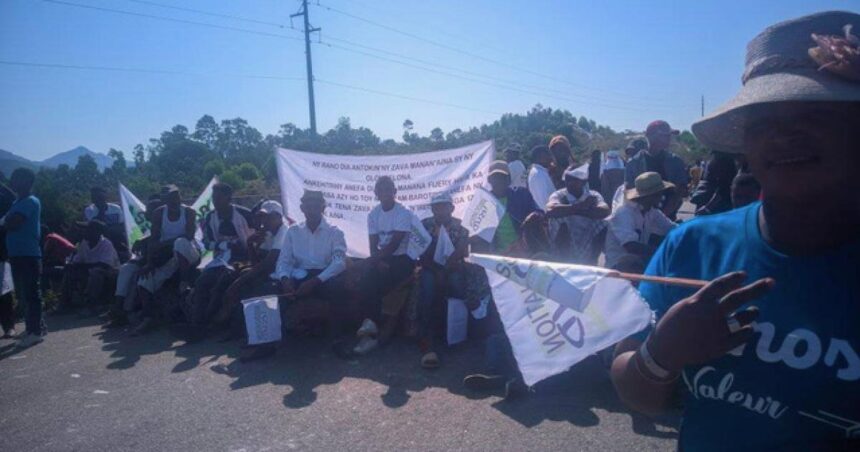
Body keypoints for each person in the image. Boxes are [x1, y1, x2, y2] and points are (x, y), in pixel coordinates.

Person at [611, 11, 860, 451]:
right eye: (762, 121)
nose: (783, 136)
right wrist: (661, 356)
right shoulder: (693, 246)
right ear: (745, 142)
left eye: (813, 112)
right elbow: (633, 390)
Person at [240, 191, 348, 361]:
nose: (311, 209)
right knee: (268, 289)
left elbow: (339, 262)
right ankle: (266, 343)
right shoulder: (294, 231)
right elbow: (284, 261)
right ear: (302, 208)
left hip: (323, 276)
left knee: (338, 288)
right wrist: (285, 279)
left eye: (316, 206)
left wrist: (315, 281)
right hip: (298, 275)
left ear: (323, 207)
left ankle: (337, 340)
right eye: (308, 206)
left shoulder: (335, 232)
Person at [416, 193, 489, 369]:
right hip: (430, 268)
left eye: (443, 206)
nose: (440, 210)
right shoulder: (424, 225)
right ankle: (426, 337)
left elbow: (460, 253)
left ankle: (458, 334)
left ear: (451, 208)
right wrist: (436, 271)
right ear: (432, 209)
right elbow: (421, 253)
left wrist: (444, 271)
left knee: (457, 283)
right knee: (427, 285)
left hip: (453, 268)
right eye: (436, 207)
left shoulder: (461, 227)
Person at [356, 177, 417, 355]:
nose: (384, 193)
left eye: (388, 189)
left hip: (402, 258)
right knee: (365, 280)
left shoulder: (404, 212)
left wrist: (375, 260)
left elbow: (395, 244)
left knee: (380, 279)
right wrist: (376, 261)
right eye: (380, 190)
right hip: (382, 258)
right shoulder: (373, 214)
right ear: (376, 193)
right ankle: (370, 326)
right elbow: (373, 244)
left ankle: (374, 329)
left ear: (394, 192)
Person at [185, 183, 253, 340]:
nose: (215, 201)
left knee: (222, 285)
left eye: (218, 198)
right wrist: (223, 245)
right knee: (202, 282)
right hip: (220, 260)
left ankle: (213, 324)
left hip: (244, 259)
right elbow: (206, 243)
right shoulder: (210, 217)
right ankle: (197, 324)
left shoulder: (244, 214)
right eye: (213, 198)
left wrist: (244, 251)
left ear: (228, 198)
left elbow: (254, 240)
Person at [133, 185, 199, 335]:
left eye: (176, 196)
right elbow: (153, 240)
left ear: (179, 197)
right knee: (145, 281)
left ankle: (184, 282)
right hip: (169, 256)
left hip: (189, 252)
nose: (174, 200)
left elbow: (189, 236)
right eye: (170, 198)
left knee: (180, 243)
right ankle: (148, 317)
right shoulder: (158, 213)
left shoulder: (189, 212)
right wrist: (150, 263)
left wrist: (165, 243)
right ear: (165, 200)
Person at [213, 200, 287, 330]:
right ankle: (216, 320)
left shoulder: (284, 231)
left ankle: (240, 327)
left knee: (246, 285)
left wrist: (240, 281)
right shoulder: (268, 234)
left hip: (280, 273)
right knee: (227, 277)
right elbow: (255, 263)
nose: (265, 221)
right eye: (263, 217)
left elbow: (268, 263)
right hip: (269, 271)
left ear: (278, 217)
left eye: (268, 217)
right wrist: (250, 244)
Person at [0, 168, 45, 347]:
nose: (13, 181)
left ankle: (36, 332)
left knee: (32, 293)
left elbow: (13, 223)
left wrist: (4, 222)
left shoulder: (30, 201)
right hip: (17, 255)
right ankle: (32, 328)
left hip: (28, 254)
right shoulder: (17, 201)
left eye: (17, 178)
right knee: (24, 294)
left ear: (27, 181)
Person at [604, 172, 676, 270]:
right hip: (618, 267)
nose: (662, 197)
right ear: (650, 195)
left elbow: (671, 228)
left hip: (639, 262)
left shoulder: (652, 212)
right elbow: (631, 246)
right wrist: (663, 252)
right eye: (659, 194)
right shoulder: (624, 213)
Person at [545, 164, 611, 265]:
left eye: (574, 180)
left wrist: (572, 210)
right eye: (567, 180)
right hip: (565, 241)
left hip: (587, 237)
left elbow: (605, 211)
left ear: (583, 181)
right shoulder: (559, 195)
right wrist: (582, 206)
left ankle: (592, 261)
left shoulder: (593, 195)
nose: (569, 183)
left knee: (605, 222)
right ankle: (563, 260)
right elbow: (550, 211)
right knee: (559, 219)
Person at [470, 161, 539, 254]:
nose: (499, 181)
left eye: (502, 177)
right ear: (489, 180)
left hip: (525, 251)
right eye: (495, 178)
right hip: (497, 257)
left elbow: (538, 212)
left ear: (509, 179)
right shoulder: (483, 203)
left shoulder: (522, 194)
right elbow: (474, 233)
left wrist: (533, 216)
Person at [625, 121, 690, 219]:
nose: (669, 138)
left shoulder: (675, 161)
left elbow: (681, 190)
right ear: (651, 137)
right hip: (642, 218)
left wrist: (665, 213)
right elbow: (629, 191)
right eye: (665, 136)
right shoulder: (634, 163)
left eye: (669, 135)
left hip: (668, 217)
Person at [60, 220, 120, 315]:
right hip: (89, 271)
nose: (84, 232)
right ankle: (64, 303)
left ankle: (92, 305)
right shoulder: (84, 243)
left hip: (110, 273)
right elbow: (77, 260)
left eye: (88, 229)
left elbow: (104, 265)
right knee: (70, 271)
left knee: (96, 272)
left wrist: (82, 266)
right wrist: (70, 265)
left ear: (97, 232)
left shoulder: (106, 244)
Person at [84, 187, 128, 261]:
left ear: (105, 196)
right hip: (100, 241)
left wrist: (109, 229)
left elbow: (122, 225)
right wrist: (101, 210)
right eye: (95, 197)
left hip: (117, 238)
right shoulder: (89, 210)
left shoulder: (116, 208)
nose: (98, 199)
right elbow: (95, 226)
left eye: (100, 196)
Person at [691, 151, 737, 216]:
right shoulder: (713, 160)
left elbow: (723, 188)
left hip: (717, 207)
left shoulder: (723, 162)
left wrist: (708, 207)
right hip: (711, 203)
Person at [526, 145, 557, 211]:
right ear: (539, 157)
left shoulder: (541, 172)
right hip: (552, 216)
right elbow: (546, 203)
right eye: (547, 154)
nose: (550, 157)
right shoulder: (538, 174)